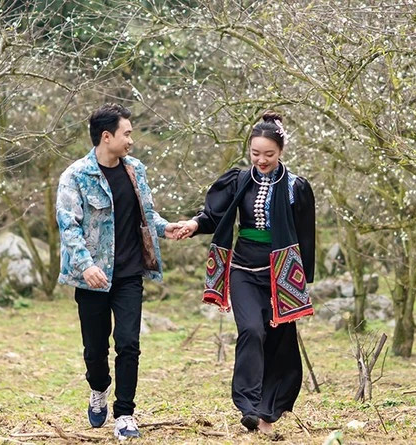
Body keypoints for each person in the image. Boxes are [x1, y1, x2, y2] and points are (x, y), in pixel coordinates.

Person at [176, 111, 315, 434]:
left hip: (280, 275)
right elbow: (213, 215)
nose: (261, 160)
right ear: (248, 151)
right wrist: (193, 224)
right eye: (255, 154)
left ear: (281, 152)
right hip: (242, 268)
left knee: (277, 341)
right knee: (251, 330)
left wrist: (302, 281)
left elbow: (306, 235)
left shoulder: (296, 187)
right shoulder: (239, 180)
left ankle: (267, 415)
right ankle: (248, 405)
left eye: (268, 154)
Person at [56, 103, 180, 440]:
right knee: (95, 351)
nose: (131, 140)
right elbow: (69, 226)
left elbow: (147, 213)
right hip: (92, 278)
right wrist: (86, 265)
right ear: (106, 136)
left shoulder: (135, 170)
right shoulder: (75, 176)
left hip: (128, 274)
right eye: (126, 134)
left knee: (128, 343)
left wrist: (167, 228)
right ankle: (98, 389)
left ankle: (125, 414)